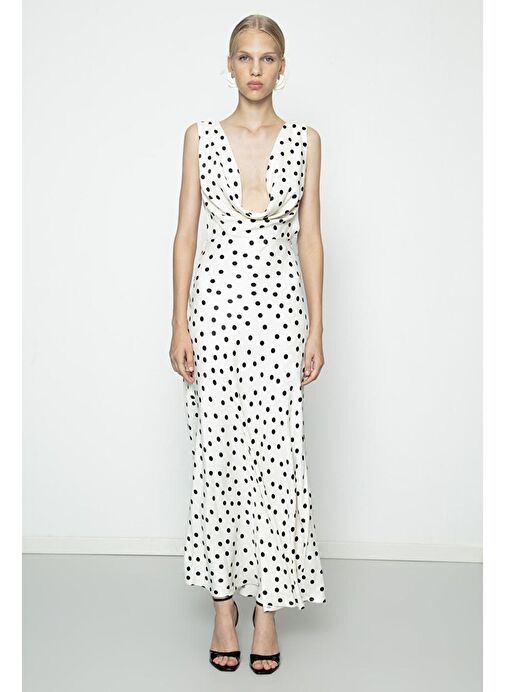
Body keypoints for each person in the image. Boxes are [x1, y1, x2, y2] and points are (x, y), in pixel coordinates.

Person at [170, 13, 326, 674]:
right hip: (214, 311)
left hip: (279, 316)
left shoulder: (305, 141)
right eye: (244, 57)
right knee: (216, 454)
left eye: (266, 58)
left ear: (281, 67)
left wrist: (317, 326)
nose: (255, 69)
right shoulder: (199, 137)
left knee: (275, 457)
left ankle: (267, 611)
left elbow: (310, 235)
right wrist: (178, 322)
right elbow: (185, 231)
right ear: (229, 65)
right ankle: (221, 606)